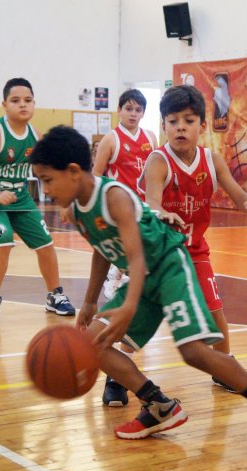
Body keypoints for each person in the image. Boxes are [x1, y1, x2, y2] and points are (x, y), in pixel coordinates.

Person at [29, 125, 247, 454]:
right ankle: (160, 406)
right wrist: (88, 302)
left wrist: (128, 306)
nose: (45, 190)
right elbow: (102, 250)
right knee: (92, 343)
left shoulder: (113, 196)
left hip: (169, 265)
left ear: (72, 172)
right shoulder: (77, 210)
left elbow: (136, 257)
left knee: (193, 352)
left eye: (46, 180)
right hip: (143, 278)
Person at [145, 84, 247, 393]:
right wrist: (161, 214)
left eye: (188, 120)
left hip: (194, 250)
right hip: (156, 252)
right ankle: (116, 377)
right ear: (163, 126)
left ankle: (224, 365)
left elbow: (237, 195)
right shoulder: (158, 161)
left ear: (201, 125)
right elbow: (152, 202)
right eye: (173, 121)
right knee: (135, 316)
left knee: (215, 310)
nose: (180, 127)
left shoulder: (212, 160)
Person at [0, 77, 76, 325]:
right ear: (4, 104)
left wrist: (64, 200)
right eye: (16, 100)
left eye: (28, 100)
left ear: (34, 103)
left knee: (46, 243)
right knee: (2, 240)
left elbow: (46, 171)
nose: (23, 105)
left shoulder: (35, 136)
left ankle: (54, 295)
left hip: (19, 196)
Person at [86, 89, 159, 405]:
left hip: (143, 223)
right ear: (119, 110)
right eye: (128, 108)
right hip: (115, 224)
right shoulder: (110, 140)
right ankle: (113, 380)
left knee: (134, 299)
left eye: (138, 108)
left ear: (143, 112)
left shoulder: (151, 138)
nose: (133, 113)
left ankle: (116, 376)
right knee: (118, 301)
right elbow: (97, 178)